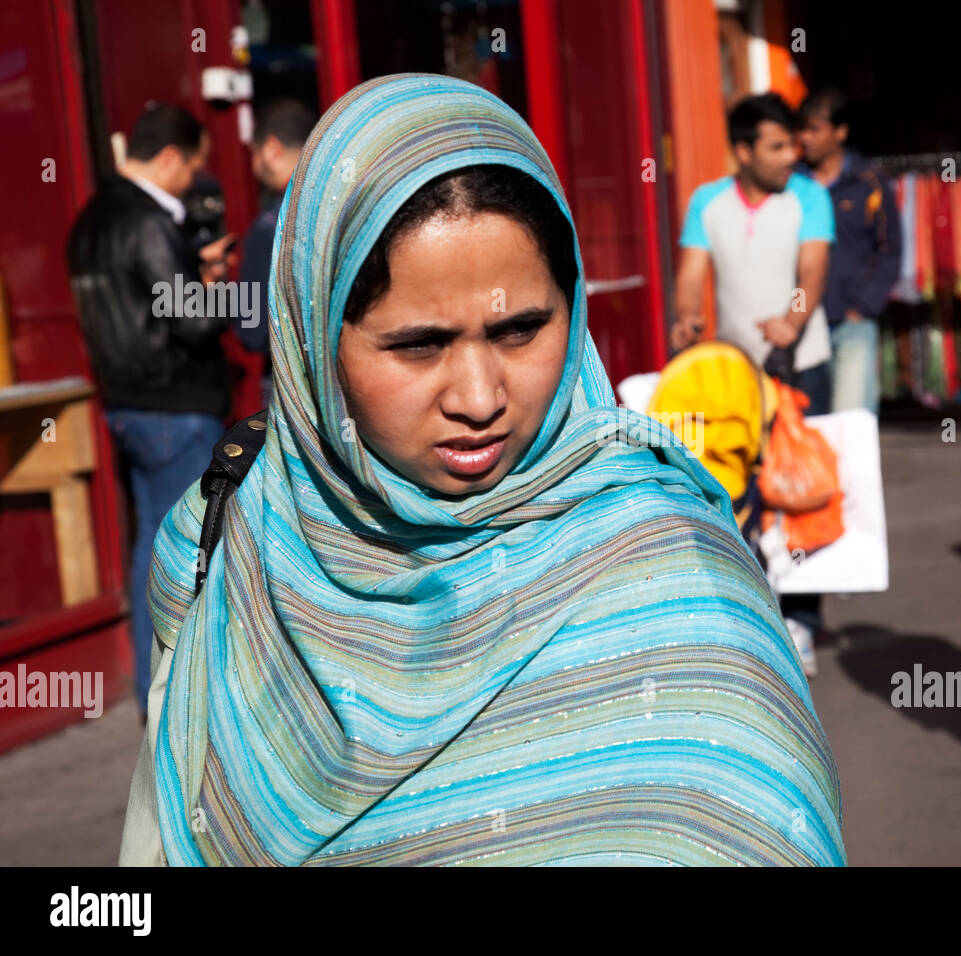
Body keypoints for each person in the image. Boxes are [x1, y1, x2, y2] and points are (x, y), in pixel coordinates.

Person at [118, 74, 845, 866]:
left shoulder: (670, 560)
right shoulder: (228, 545)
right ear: (311, 338)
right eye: (418, 344)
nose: (478, 397)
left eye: (521, 329)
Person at [66, 103, 235, 718]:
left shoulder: (88, 220)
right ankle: (183, 701)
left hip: (127, 406)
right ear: (169, 158)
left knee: (152, 551)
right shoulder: (148, 221)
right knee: (194, 551)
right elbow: (191, 317)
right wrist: (221, 289)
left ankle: (155, 692)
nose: (194, 180)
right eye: (193, 166)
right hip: (178, 407)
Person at [671, 92, 835, 676]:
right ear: (742, 151)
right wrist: (686, 318)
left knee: (802, 493)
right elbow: (691, 276)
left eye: (793, 142)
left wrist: (793, 316)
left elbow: (812, 269)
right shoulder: (707, 203)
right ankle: (756, 613)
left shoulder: (810, 198)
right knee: (740, 494)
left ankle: (804, 623)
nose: (792, 153)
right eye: (776, 145)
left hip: (801, 365)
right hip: (735, 376)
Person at [796, 88, 901, 416]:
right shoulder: (792, 184)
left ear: (840, 132)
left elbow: (890, 249)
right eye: (802, 129)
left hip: (852, 323)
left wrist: (864, 305)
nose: (805, 138)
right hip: (802, 325)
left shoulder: (870, 182)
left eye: (814, 129)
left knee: (850, 420)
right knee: (809, 426)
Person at [238, 98, 317, 406]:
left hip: (293, 390)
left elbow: (253, 331)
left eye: (253, 154)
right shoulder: (344, 208)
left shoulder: (270, 227)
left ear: (271, 149)